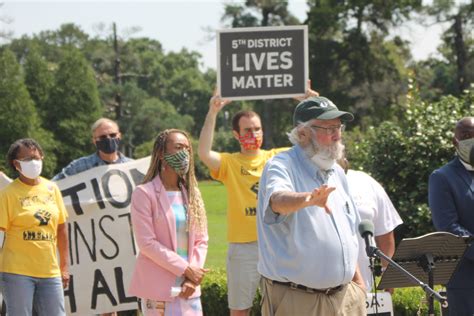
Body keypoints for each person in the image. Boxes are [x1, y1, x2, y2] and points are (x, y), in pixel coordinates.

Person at [198, 87, 319, 315]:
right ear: (236, 134)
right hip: (244, 248)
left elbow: (313, 144)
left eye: (257, 129)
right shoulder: (230, 163)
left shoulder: (277, 157)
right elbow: (204, 153)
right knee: (240, 310)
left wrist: (312, 102)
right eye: (247, 130)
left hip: (277, 243)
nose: (253, 134)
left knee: (280, 309)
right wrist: (213, 111)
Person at [257, 96, 366, 316]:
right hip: (299, 300)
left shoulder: (336, 172)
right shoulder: (281, 165)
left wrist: (359, 285)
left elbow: (346, 235)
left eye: (339, 127)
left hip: (346, 298)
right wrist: (308, 199)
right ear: (303, 133)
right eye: (328, 128)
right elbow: (277, 200)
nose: (337, 134)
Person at [129, 129, 209, 316]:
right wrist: (186, 269)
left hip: (189, 288)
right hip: (158, 290)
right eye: (178, 147)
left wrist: (192, 277)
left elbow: (201, 240)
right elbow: (146, 243)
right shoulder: (144, 194)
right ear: (161, 155)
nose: (185, 153)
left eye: (188, 149)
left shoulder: (192, 194)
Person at [0, 138, 69, 315]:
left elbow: (61, 228)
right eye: (28, 159)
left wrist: (64, 267)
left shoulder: (52, 189)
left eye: (36, 157)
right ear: (16, 164)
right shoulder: (8, 194)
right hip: (17, 272)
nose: (34, 162)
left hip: (50, 271)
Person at [429, 116, 474, 315]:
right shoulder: (442, 177)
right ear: (454, 141)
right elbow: (448, 227)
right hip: (465, 283)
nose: (472, 139)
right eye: (466, 135)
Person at [339, 158, 403, 292]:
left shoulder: (365, 182)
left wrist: (388, 274)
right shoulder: (306, 182)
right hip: (318, 293)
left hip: (363, 290)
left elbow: (384, 232)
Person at [52, 118, 132, 180]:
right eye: (102, 137)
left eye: (113, 135)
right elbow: (53, 186)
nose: (108, 139)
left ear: (119, 136)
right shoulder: (79, 166)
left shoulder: (132, 166)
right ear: (94, 141)